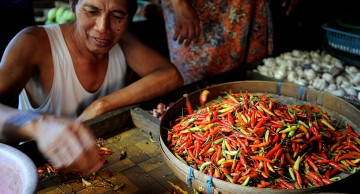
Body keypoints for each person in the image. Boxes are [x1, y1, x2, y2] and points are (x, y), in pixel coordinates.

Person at [0, 0, 183, 176]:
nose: (103, 28)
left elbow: (170, 76)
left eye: (117, 15)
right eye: (92, 11)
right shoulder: (33, 42)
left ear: (130, 16)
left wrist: (100, 105)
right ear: (72, 5)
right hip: (40, 168)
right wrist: (38, 126)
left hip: (104, 158)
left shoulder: (123, 41)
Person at [161, 0, 298, 84]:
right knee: (198, 80)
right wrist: (179, 3)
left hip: (246, 6)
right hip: (199, 8)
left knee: (250, 70)